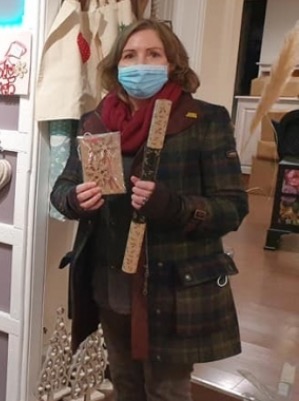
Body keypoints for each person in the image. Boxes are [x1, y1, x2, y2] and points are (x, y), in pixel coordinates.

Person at [50, 19, 248, 401]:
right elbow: (61, 190)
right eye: (130, 55)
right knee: (125, 385)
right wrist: (74, 199)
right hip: (110, 284)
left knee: (166, 391)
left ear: (172, 63)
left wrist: (173, 207)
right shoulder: (97, 122)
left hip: (169, 292)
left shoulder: (203, 120)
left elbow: (233, 207)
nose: (140, 64)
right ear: (117, 65)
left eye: (153, 54)